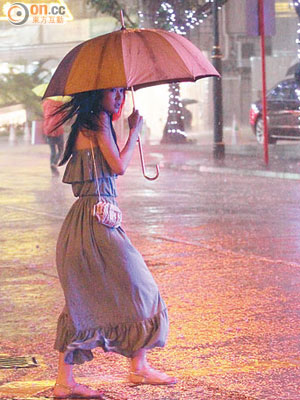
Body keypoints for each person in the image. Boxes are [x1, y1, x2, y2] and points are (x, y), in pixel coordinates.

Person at [52, 88, 177, 399]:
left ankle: (67, 382)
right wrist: (135, 131)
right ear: (98, 94)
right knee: (141, 288)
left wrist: (129, 131)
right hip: (95, 224)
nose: (120, 97)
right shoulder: (97, 120)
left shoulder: (92, 121)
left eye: (123, 91)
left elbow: (110, 166)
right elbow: (118, 166)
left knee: (83, 301)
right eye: (113, 91)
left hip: (88, 221)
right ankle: (137, 367)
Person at [42, 99, 65, 176]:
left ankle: (52, 168)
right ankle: (54, 163)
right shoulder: (60, 103)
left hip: (48, 129)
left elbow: (45, 115)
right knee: (61, 149)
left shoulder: (45, 103)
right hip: (58, 129)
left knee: (53, 151)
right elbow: (63, 115)